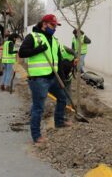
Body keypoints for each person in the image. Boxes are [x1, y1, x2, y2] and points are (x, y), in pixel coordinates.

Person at [18, 14, 72, 144]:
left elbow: (58, 60)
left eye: (55, 26)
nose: (54, 28)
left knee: (62, 97)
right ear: (44, 24)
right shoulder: (33, 37)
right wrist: (38, 49)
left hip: (53, 77)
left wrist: (62, 79)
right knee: (39, 108)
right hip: (39, 80)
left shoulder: (55, 41)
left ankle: (59, 121)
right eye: (52, 25)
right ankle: (36, 136)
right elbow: (22, 52)